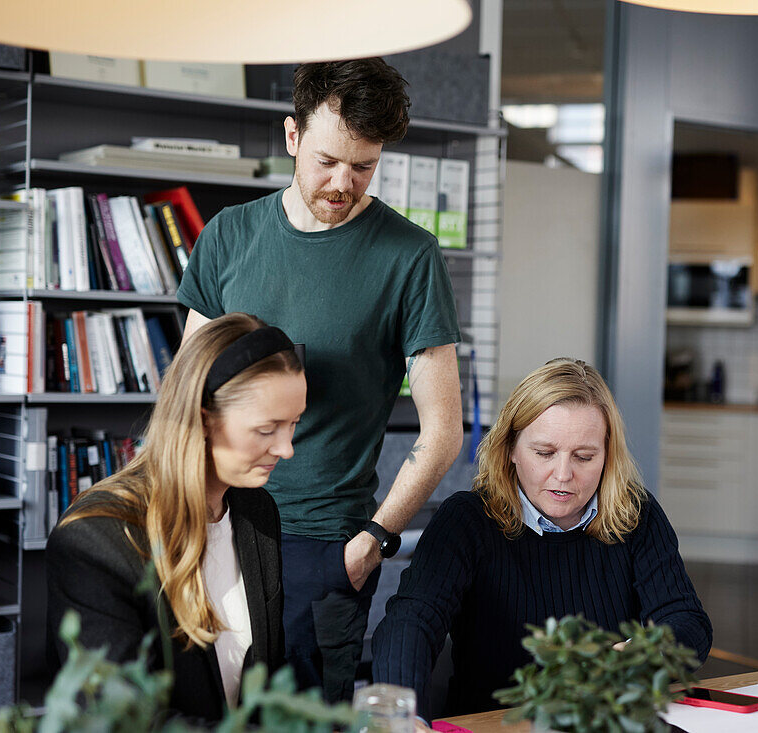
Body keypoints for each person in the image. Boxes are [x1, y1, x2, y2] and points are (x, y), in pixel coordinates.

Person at [176, 58, 463, 702]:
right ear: (292, 137)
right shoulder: (228, 235)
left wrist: (371, 543)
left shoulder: (409, 256)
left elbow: (443, 433)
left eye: (364, 166)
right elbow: (185, 400)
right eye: (329, 160)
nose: (344, 183)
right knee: (198, 709)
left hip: (325, 545)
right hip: (211, 528)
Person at [371, 358, 713, 722]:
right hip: (495, 725)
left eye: (584, 456)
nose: (563, 475)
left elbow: (687, 621)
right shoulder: (467, 520)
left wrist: (641, 656)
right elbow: (410, 623)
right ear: (511, 450)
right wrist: (402, 720)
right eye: (545, 453)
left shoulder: (635, 514)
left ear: (607, 456)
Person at [46, 313, 306, 722]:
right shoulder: (94, 538)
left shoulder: (257, 514)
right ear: (203, 419)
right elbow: (122, 721)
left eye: (294, 424)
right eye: (267, 428)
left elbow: (264, 688)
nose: (286, 448)